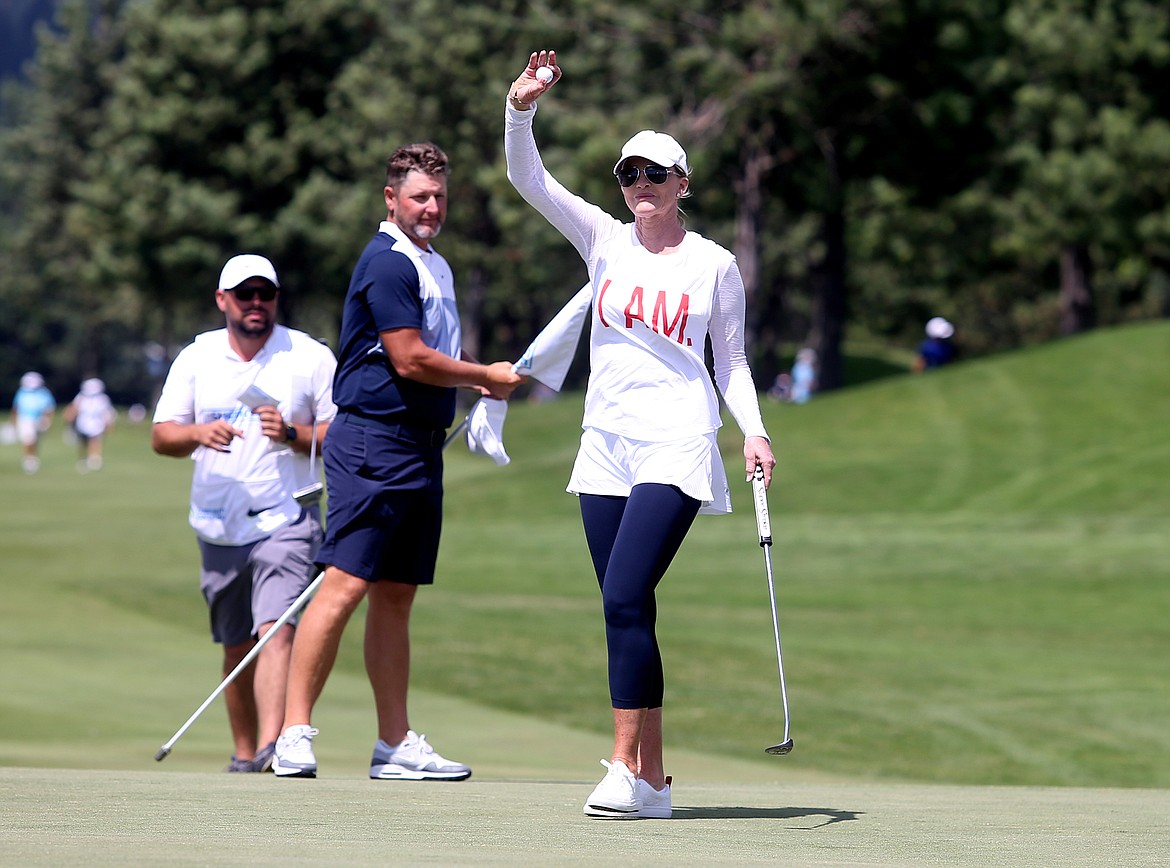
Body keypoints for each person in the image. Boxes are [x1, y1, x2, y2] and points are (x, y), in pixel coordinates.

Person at [505, 50, 776, 819]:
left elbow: (734, 361)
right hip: (606, 444)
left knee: (625, 593)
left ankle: (623, 767)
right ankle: (654, 781)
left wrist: (752, 433)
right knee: (628, 607)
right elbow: (530, 180)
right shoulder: (604, 239)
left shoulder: (714, 265)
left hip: (679, 442)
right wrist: (519, 109)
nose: (641, 188)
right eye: (630, 176)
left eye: (656, 175)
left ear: (683, 183)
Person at [272, 142, 525, 781]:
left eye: (439, 196)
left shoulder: (433, 264)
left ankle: (392, 744)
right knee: (346, 581)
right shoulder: (387, 262)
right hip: (371, 441)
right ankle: (293, 733)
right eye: (419, 196)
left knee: (396, 593)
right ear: (392, 198)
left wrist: (472, 382)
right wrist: (482, 377)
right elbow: (409, 357)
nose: (431, 207)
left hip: (417, 444)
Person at [152, 254, 337, 773]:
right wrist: (195, 434)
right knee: (236, 645)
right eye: (245, 293)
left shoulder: (310, 356)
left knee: (275, 631)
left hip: (288, 516)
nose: (256, 303)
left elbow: (341, 433)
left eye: (266, 294)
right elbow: (162, 435)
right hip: (217, 520)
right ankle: (243, 754)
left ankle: (273, 749)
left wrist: (294, 434)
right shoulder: (197, 357)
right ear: (222, 300)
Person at [64, 378, 116, 472]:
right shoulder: (81, 397)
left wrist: (108, 424)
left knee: (95, 441)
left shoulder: (103, 398)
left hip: (96, 424)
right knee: (83, 442)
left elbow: (107, 412)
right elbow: (74, 409)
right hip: (82, 423)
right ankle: (83, 459)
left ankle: (95, 459)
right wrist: (70, 421)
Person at [11, 371, 55, 474]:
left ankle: (33, 458)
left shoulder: (44, 392)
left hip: (39, 419)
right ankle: (29, 460)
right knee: (28, 439)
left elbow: (49, 407)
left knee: (35, 441)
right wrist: (12, 421)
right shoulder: (21, 392)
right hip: (25, 419)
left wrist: (48, 420)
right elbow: (16, 408)